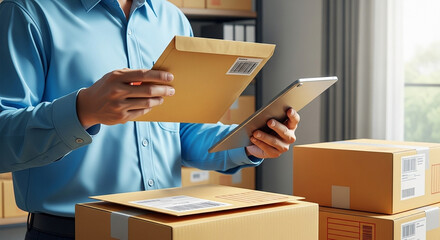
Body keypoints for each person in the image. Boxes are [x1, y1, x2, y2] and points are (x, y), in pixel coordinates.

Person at [0, 0, 300, 239]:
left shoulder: (172, 19)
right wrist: (82, 111)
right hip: (70, 233)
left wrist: (249, 143)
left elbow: (184, 131)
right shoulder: (28, 11)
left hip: (166, 226)